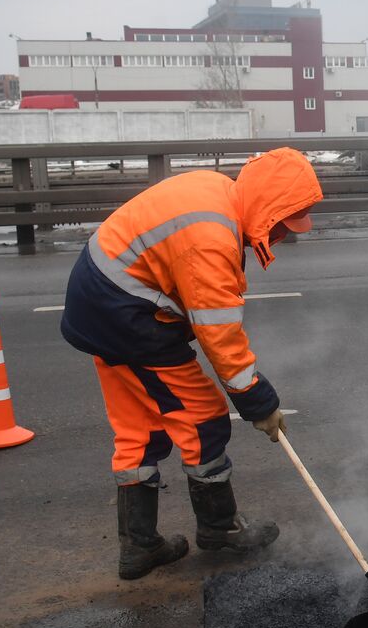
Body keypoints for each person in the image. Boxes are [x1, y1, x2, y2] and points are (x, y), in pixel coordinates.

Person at [61, 147, 323, 580]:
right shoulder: (211, 236)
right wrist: (257, 401)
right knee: (202, 416)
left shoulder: (219, 193)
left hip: (100, 303)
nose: (281, 235)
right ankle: (218, 528)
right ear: (266, 206)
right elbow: (218, 333)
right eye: (281, 224)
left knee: (139, 427)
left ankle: (139, 547)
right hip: (127, 315)